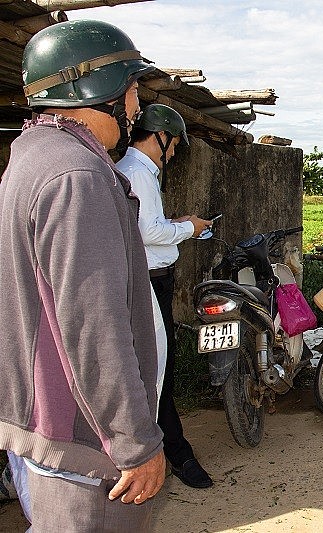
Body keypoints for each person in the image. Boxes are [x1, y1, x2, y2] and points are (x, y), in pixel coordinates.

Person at [0, 20, 166, 530]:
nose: (136, 106)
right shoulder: (77, 176)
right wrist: (135, 442)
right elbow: (94, 328)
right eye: (134, 89)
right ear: (100, 89)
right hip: (80, 442)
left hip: (42, 426)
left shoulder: (31, 158)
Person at [117, 104, 214, 489]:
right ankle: (175, 452)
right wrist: (188, 228)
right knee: (160, 370)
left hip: (149, 277)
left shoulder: (133, 171)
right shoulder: (139, 173)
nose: (172, 153)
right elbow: (149, 233)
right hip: (152, 281)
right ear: (161, 137)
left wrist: (175, 223)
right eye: (173, 145)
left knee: (155, 366)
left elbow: (148, 226)